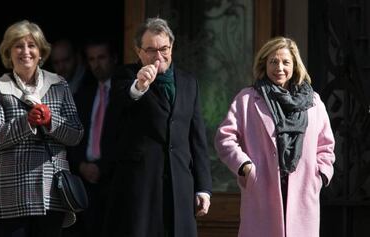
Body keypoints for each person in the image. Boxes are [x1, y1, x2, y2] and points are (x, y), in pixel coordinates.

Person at [100, 17, 212, 237]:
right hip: (141, 188)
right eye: (150, 50)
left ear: (172, 46)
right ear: (138, 51)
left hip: (180, 186)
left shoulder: (189, 82)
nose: (158, 56)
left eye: (164, 48)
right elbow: (118, 107)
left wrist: (203, 188)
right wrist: (139, 86)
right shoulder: (125, 77)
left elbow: (197, 139)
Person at [214, 36, 335, 237]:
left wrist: (320, 175)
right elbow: (224, 138)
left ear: (295, 65)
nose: (279, 67)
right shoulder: (247, 99)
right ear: (265, 64)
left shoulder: (314, 102)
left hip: (303, 189)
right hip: (262, 189)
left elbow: (326, 146)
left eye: (285, 62)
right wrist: (245, 167)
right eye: (273, 61)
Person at [0, 20, 84, 237]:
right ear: (8, 52)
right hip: (10, 194)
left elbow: (76, 134)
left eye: (31, 45)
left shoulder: (58, 85)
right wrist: (27, 123)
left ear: (41, 52)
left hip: (51, 193)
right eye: (18, 46)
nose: (25, 51)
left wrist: (50, 121)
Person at [68, 39, 118, 236]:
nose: (97, 64)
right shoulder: (83, 95)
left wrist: (103, 167)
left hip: (114, 179)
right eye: (92, 59)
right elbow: (72, 135)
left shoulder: (125, 93)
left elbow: (125, 139)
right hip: (85, 180)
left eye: (102, 57)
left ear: (114, 58)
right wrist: (80, 164)